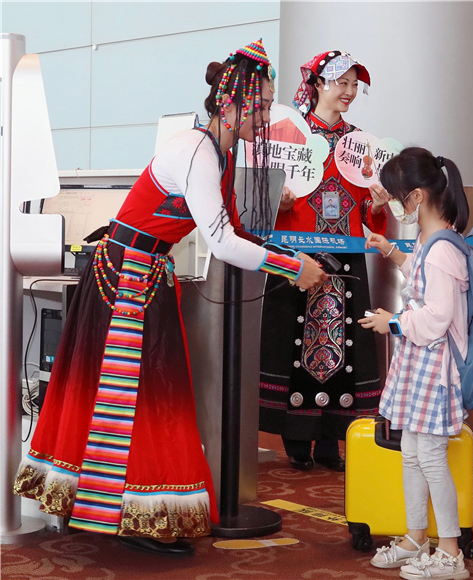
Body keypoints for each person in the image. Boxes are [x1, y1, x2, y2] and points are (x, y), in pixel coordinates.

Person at [13, 39, 327, 557]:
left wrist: (284, 254)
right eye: (262, 105)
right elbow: (221, 240)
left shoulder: (216, 151)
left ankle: (126, 511)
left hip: (142, 275)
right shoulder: (198, 152)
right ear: (232, 105)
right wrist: (293, 269)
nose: (267, 116)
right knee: (132, 399)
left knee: (142, 397)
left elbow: (231, 230)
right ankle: (123, 516)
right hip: (127, 281)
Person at [259, 51, 389, 472]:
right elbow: (262, 200)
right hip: (297, 253)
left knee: (345, 346)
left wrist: (377, 204)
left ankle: (332, 439)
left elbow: (369, 212)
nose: (349, 92)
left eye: (354, 85)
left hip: (346, 258)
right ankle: (297, 438)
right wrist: (278, 202)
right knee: (293, 343)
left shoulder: (360, 144)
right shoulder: (289, 134)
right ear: (317, 84)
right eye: (341, 83)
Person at [361, 147, 470, 579]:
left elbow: (438, 316)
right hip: (422, 361)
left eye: (396, 197)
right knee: (412, 451)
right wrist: (392, 251)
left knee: (429, 456)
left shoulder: (441, 249)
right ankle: (416, 537)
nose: (393, 204)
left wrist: (393, 323)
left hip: (435, 366)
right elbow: (423, 278)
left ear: (418, 196)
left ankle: (451, 553)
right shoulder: (433, 239)